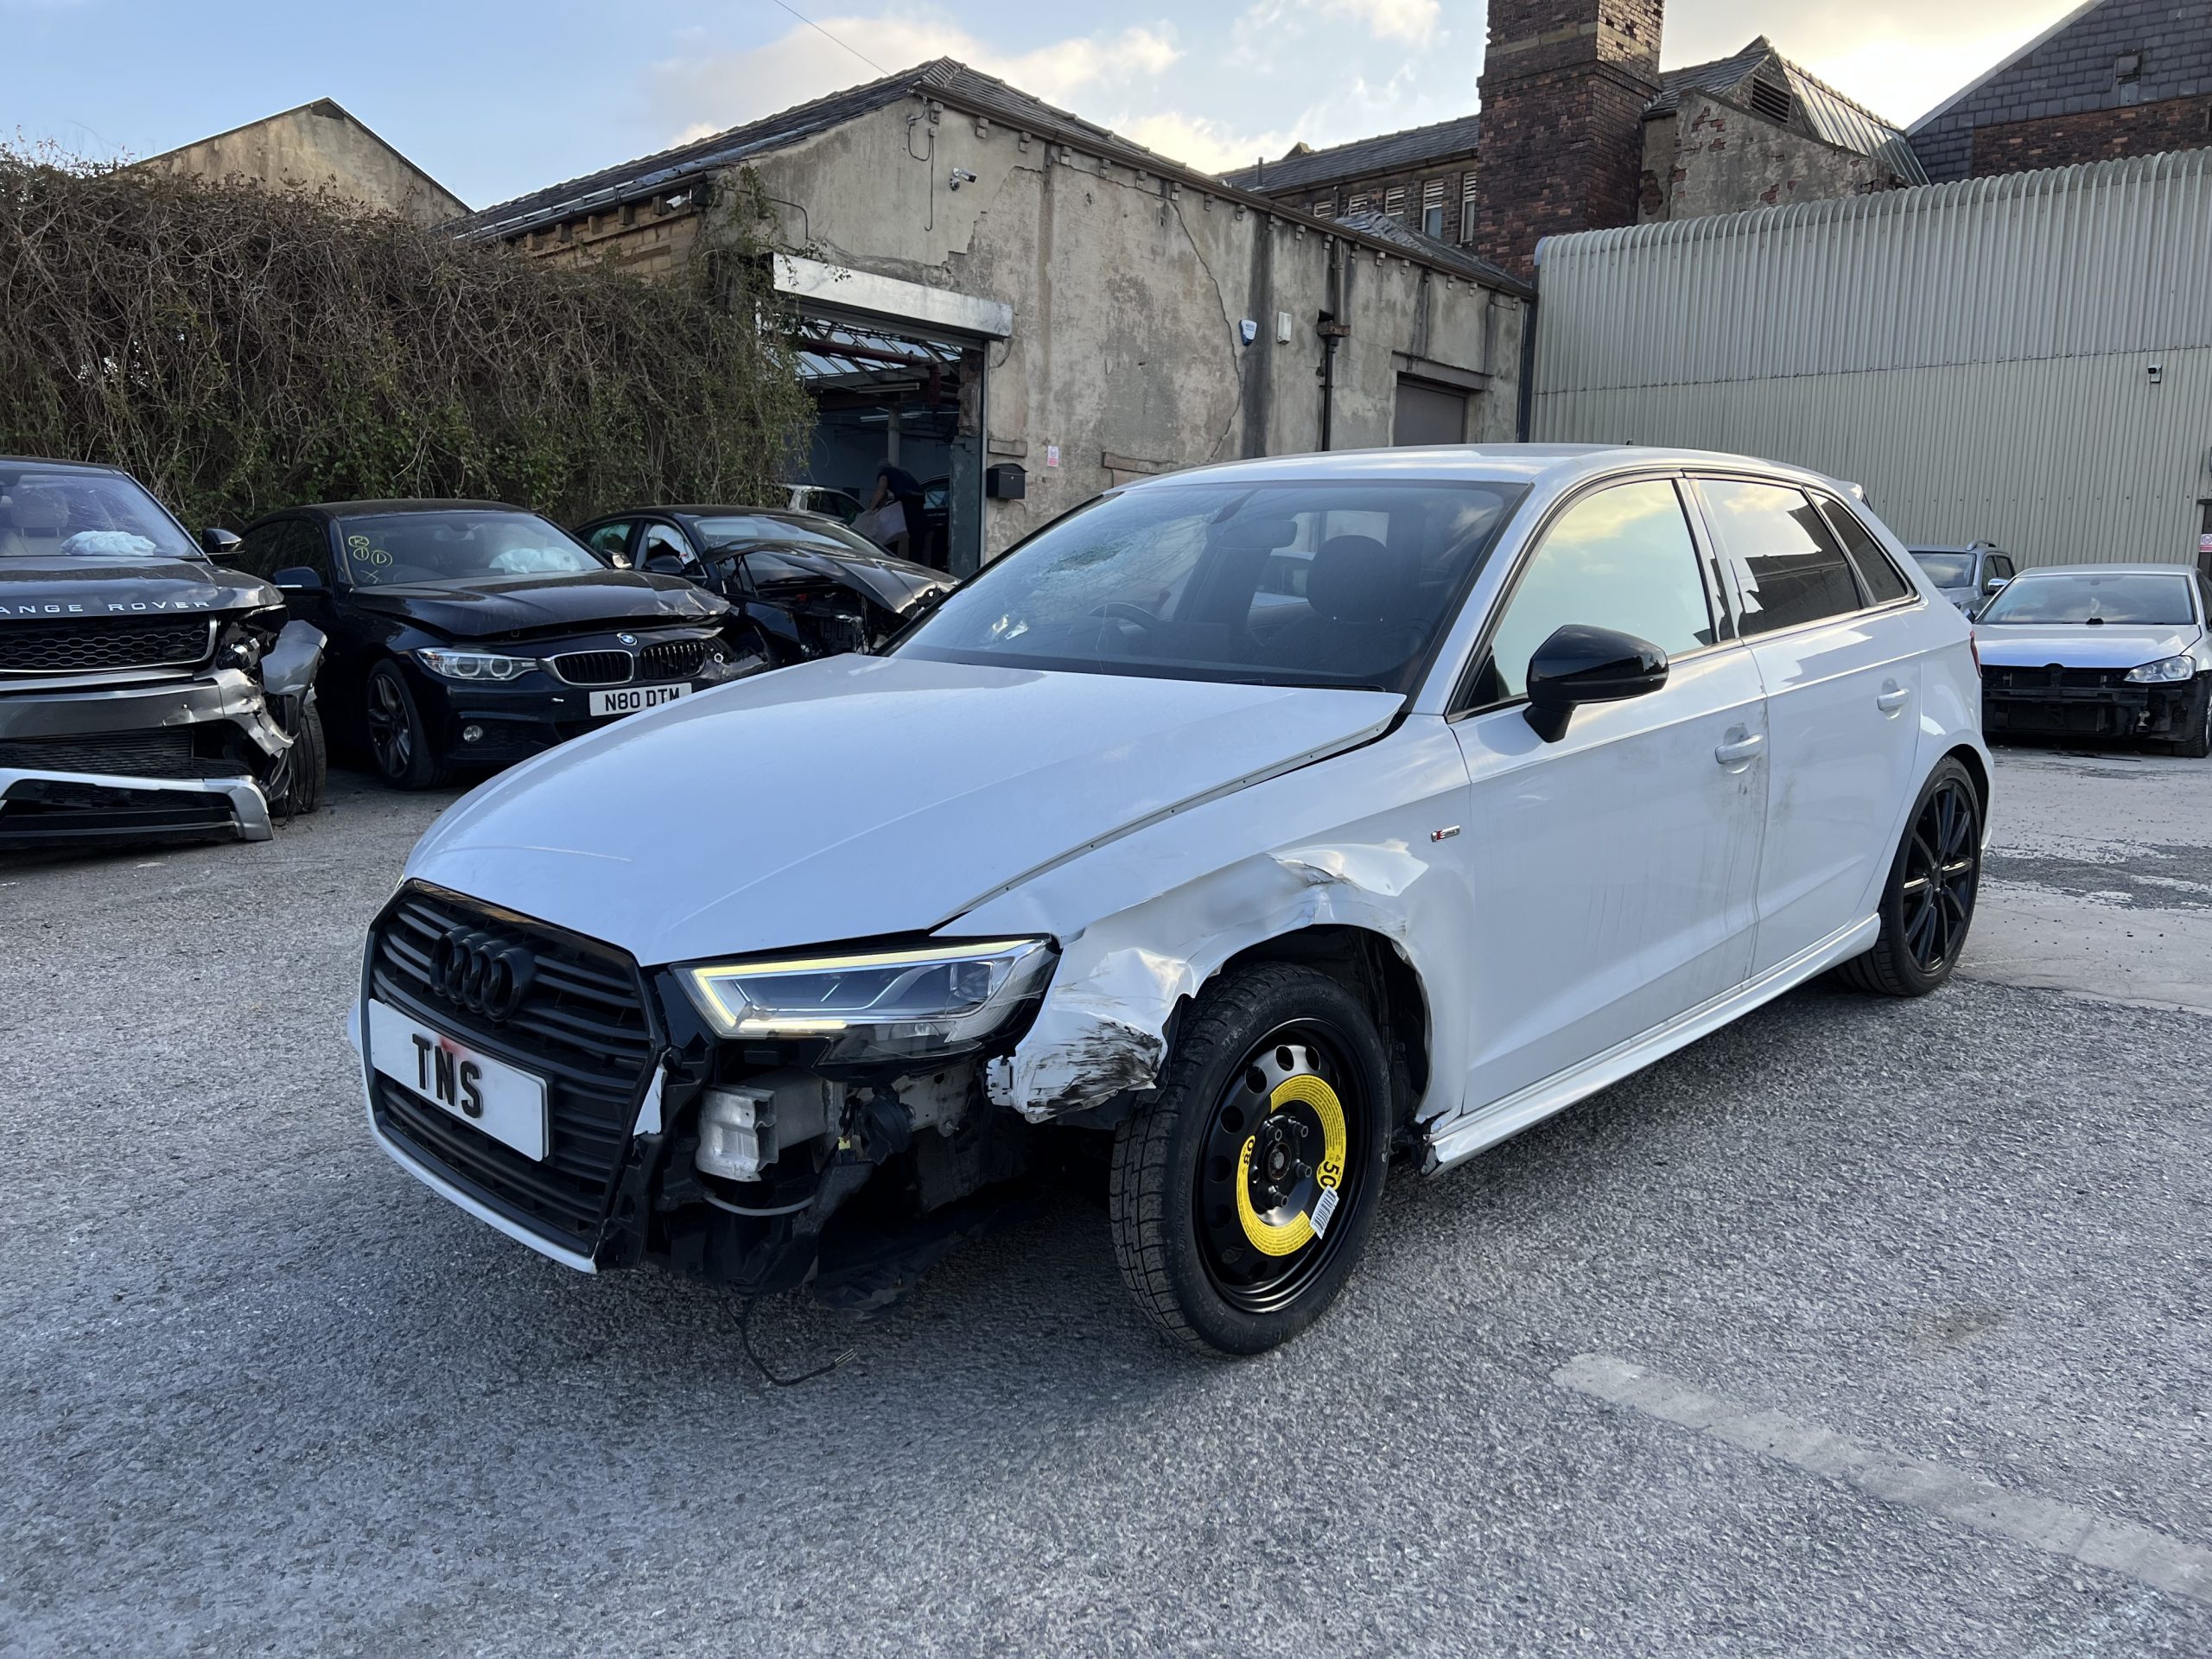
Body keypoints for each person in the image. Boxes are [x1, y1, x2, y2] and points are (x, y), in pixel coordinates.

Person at [860, 464, 928, 563]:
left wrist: (871, 509)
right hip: (919, 503)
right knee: (916, 540)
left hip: (906, 502)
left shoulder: (884, 473)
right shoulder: (903, 473)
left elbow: (881, 490)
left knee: (892, 535)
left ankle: (890, 561)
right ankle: (916, 565)